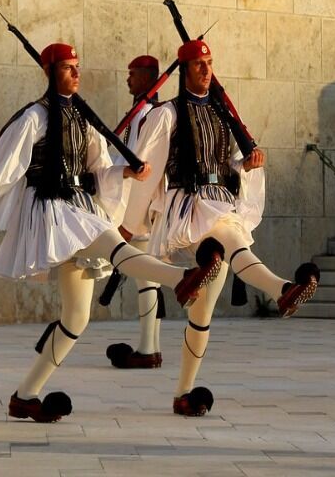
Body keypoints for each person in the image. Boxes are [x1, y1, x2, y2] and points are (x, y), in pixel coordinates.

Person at [0, 43, 223, 423]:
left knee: (76, 318)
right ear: (51, 73)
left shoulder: (83, 121)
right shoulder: (34, 118)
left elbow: (98, 169)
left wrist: (125, 173)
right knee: (113, 245)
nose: (76, 73)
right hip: (53, 211)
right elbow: (6, 164)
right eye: (69, 68)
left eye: (77, 67)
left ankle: (25, 396)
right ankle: (181, 279)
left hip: (79, 205)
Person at [123, 39, 320, 417]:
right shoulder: (168, 114)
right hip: (187, 207)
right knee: (231, 238)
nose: (205, 69)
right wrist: (131, 223)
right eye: (198, 64)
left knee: (202, 315)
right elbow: (148, 172)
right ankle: (282, 289)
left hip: (218, 202)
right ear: (184, 71)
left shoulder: (221, 114)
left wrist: (248, 164)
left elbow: (231, 163)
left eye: (209, 63)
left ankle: (183, 393)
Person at [103, 55, 165, 370]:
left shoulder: (152, 115)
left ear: (147, 76)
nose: (127, 80)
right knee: (147, 278)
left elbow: (144, 167)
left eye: (132, 74)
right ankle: (149, 346)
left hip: (143, 208)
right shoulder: (140, 113)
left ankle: (148, 349)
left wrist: (132, 218)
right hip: (139, 207)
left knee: (146, 277)